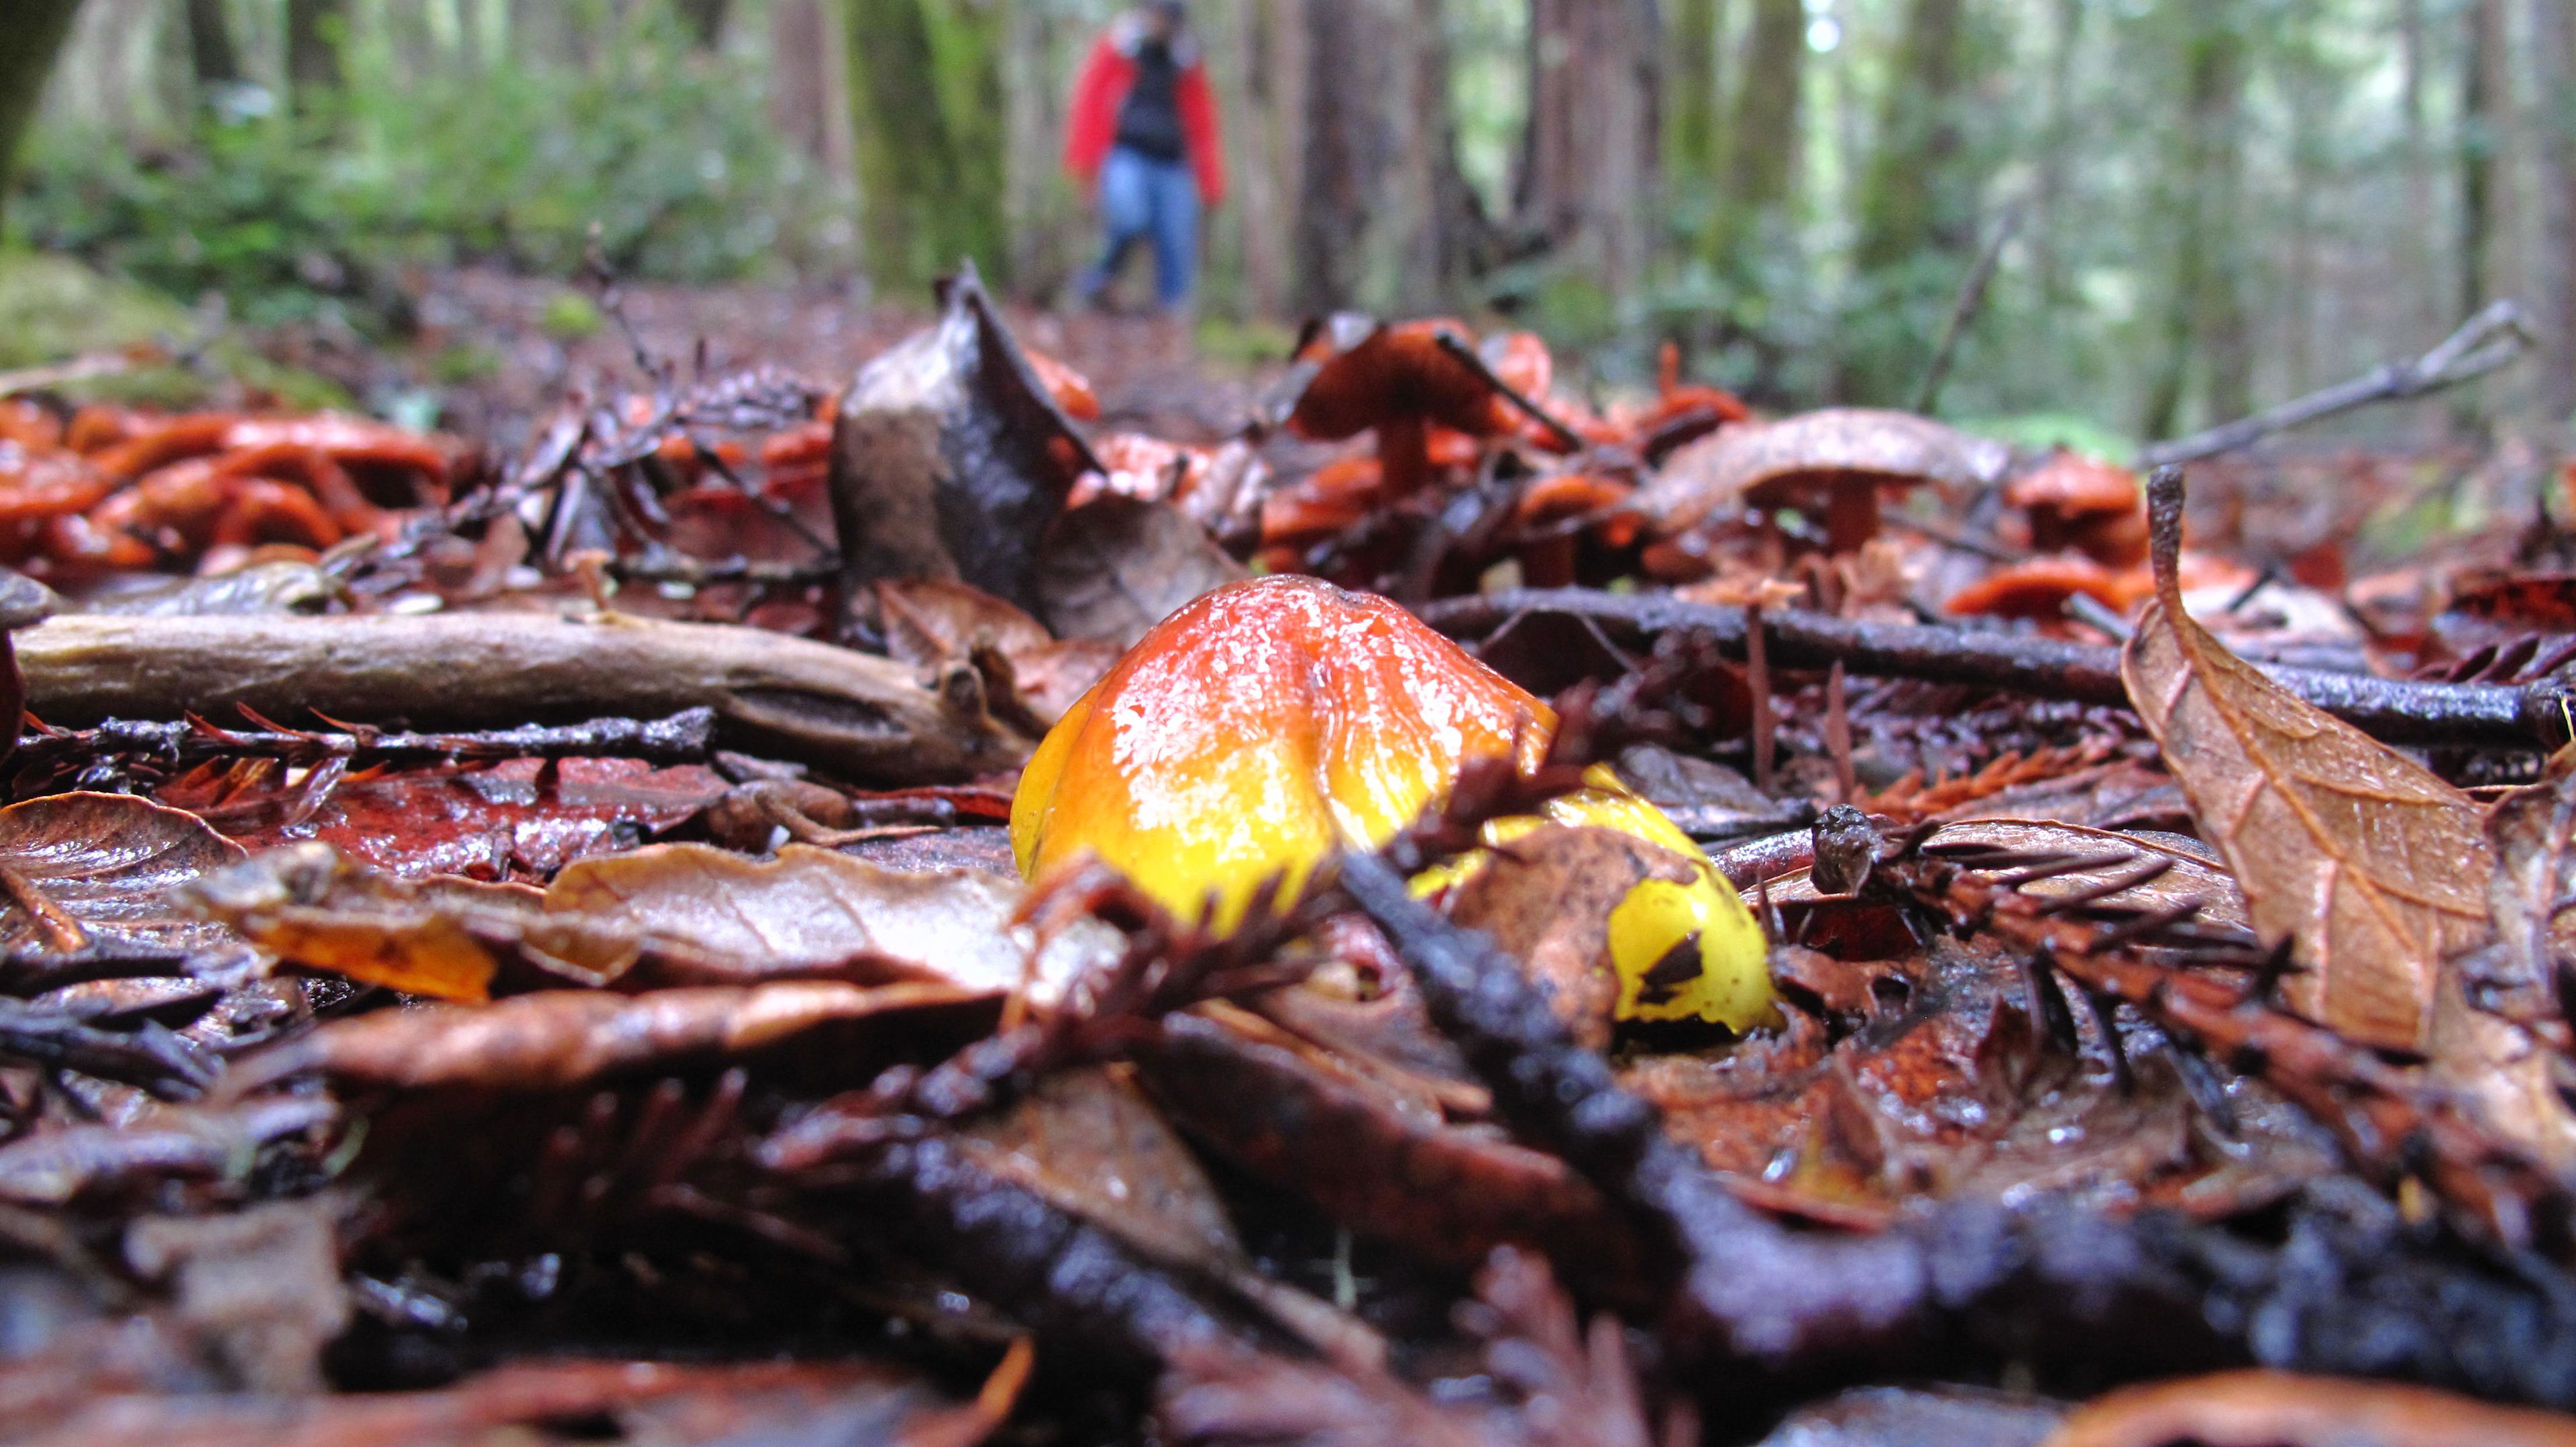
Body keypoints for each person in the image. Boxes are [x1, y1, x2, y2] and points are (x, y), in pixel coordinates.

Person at [1064, 1, 1225, 313]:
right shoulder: (1118, 49)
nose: (1158, 24)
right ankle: (1099, 280)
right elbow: (1090, 107)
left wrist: (1210, 185)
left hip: (1174, 165)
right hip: (1127, 155)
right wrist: (1086, 169)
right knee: (1128, 217)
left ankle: (1172, 320)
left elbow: (1203, 124)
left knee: (1177, 244)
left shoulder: (1187, 62)